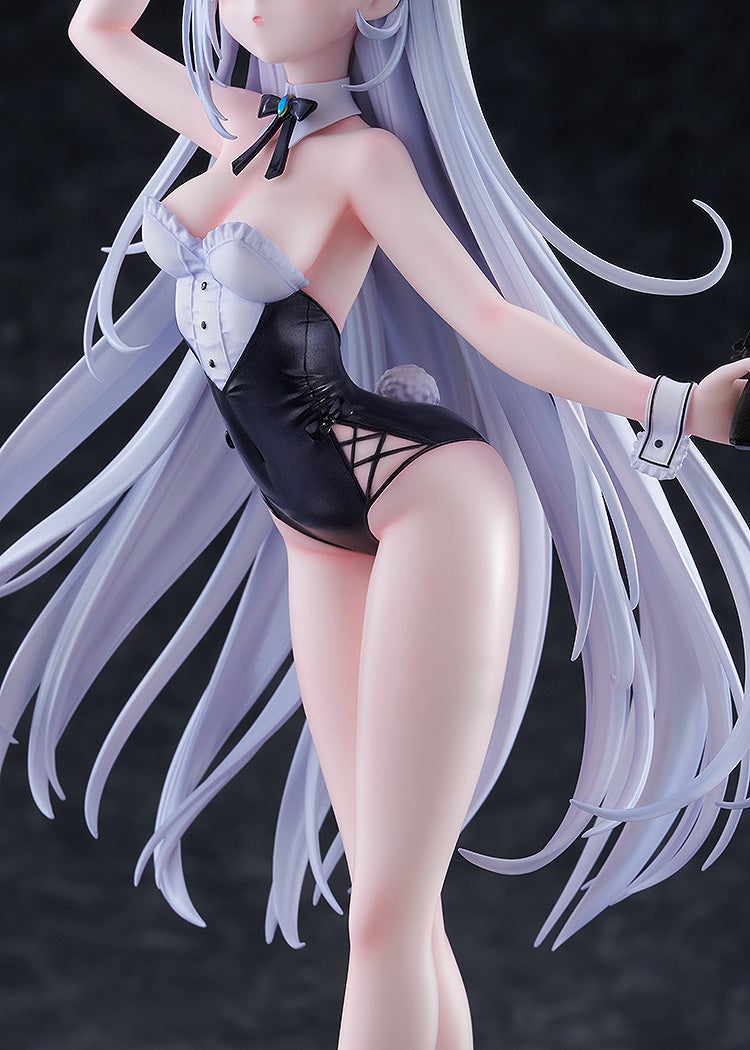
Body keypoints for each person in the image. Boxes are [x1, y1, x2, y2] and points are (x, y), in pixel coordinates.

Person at [1, 2, 748, 1048]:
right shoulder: (229, 118)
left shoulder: (366, 160)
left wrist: (672, 406)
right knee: (394, 908)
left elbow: (490, 320)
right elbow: (98, 31)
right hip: (308, 527)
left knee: (386, 917)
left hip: (424, 500)